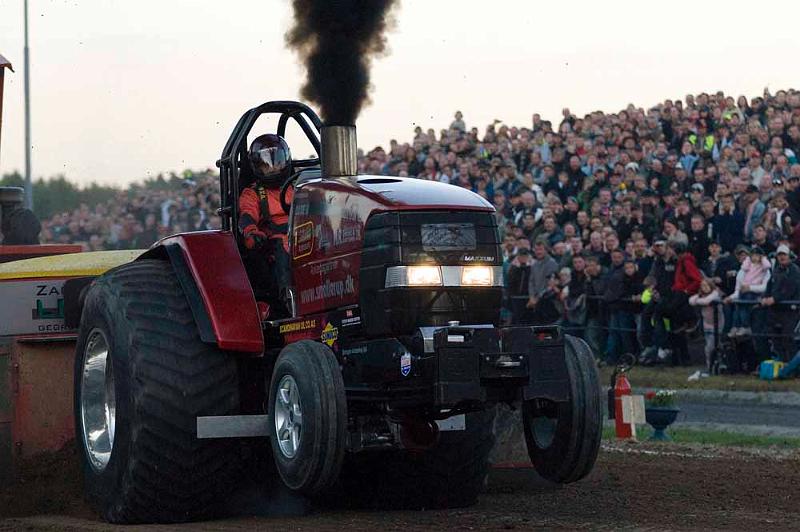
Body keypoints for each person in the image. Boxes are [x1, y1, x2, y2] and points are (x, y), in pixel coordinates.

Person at [237, 134, 294, 315]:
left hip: (306, 231)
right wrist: (251, 232)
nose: (272, 168)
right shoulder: (252, 194)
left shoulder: (299, 186)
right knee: (284, 245)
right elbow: (247, 216)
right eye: (266, 165)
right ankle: (289, 303)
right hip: (274, 242)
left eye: (276, 162)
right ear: (257, 166)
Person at [761, 244, 800, 361]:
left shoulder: (794, 270)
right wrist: (765, 297)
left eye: (784, 254)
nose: (782, 257)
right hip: (775, 310)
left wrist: (774, 299)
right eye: (780, 255)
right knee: (775, 338)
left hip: (790, 310)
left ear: (789, 256)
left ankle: (792, 367)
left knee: (788, 338)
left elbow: (790, 289)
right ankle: (782, 363)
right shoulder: (776, 270)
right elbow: (769, 285)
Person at [690, 279, 725, 372]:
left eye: (707, 285)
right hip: (706, 325)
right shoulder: (701, 295)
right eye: (702, 286)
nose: (704, 288)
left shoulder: (715, 294)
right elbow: (691, 301)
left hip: (717, 325)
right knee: (708, 347)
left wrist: (699, 300)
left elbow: (707, 301)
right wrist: (698, 296)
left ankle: (719, 364)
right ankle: (709, 366)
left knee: (712, 347)